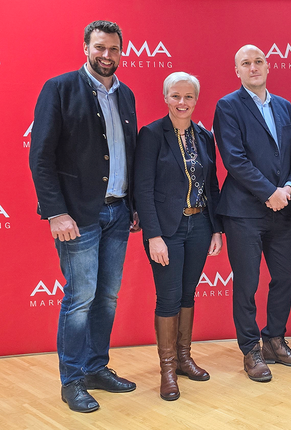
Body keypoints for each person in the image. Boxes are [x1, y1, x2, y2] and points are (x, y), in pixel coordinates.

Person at [29, 20, 139, 413]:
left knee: (106, 298)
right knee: (80, 299)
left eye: (113, 49)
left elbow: (130, 154)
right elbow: (40, 157)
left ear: (122, 51)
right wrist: (55, 212)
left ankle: (96, 368)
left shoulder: (126, 95)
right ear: (85, 48)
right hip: (77, 216)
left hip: (118, 212)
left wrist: (135, 207)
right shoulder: (59, 89)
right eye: (99, 48)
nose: (106, 56)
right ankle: (72, 379)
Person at [213, 45, 291, 383]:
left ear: (268, 66)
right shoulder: (227, 106)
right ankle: (250, 349)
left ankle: (274, 340)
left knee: (287, 276)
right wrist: (269, 192)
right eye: (246, 63)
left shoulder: (283, 106)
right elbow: (234, 158)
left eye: (258, 62)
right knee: (248, 283)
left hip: (281, 209)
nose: (253, 67)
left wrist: (287, 187)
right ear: (237, 70)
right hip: (244, 212)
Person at [134, 72, 223, 400]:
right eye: (175, 96)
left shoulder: (204, 136)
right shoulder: (151, 134)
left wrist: (216, 228)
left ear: (196, 100)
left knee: (188, 295)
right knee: (169, 297)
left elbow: (212, 185)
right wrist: (153, 236)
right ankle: (168, 368)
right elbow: (142, 188)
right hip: (166, 231)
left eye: (188, 97)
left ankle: (185, 359)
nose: (182, 102)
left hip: (199, 227)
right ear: (166, 98)